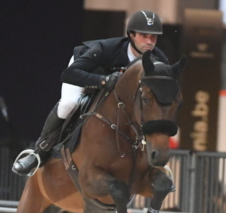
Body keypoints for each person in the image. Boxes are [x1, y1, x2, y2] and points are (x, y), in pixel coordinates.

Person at [13, 10, 170, 176]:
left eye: (154, 37)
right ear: (131, 34)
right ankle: (39, 153)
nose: (149, 41)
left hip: (120, 95)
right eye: (144, 36)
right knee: (69, 104)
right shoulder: (107, 49)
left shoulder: (159, 60)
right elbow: (69, 74)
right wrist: (104, 81)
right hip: (87, 74)